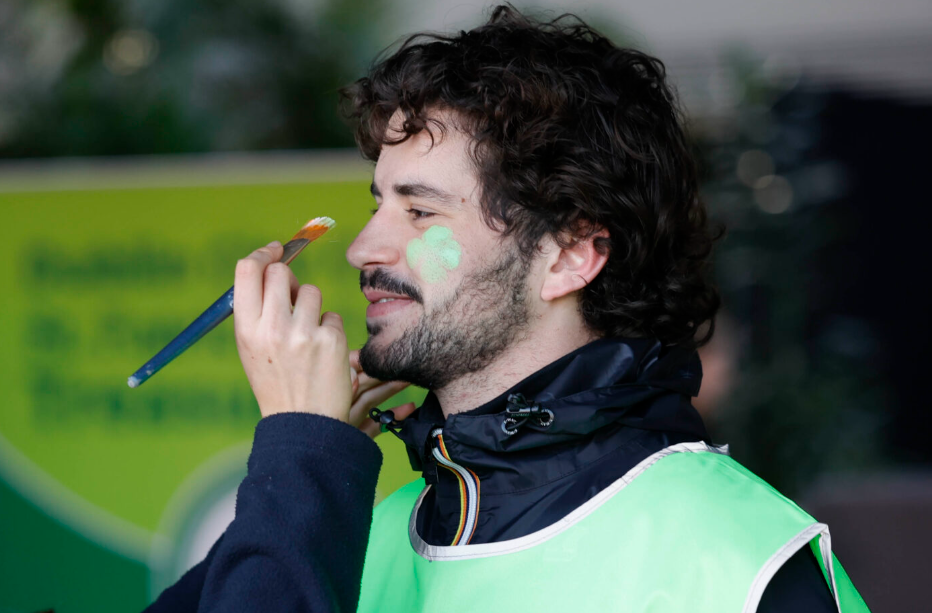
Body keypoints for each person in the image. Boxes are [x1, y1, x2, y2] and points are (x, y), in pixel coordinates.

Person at [144, 5, 869, 612]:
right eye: (377, 205)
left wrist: (301, 442)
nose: (363, 248)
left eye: (421, 211)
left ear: (568, 255)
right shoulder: (344, 539)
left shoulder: (739, 562)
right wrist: (305, 455)